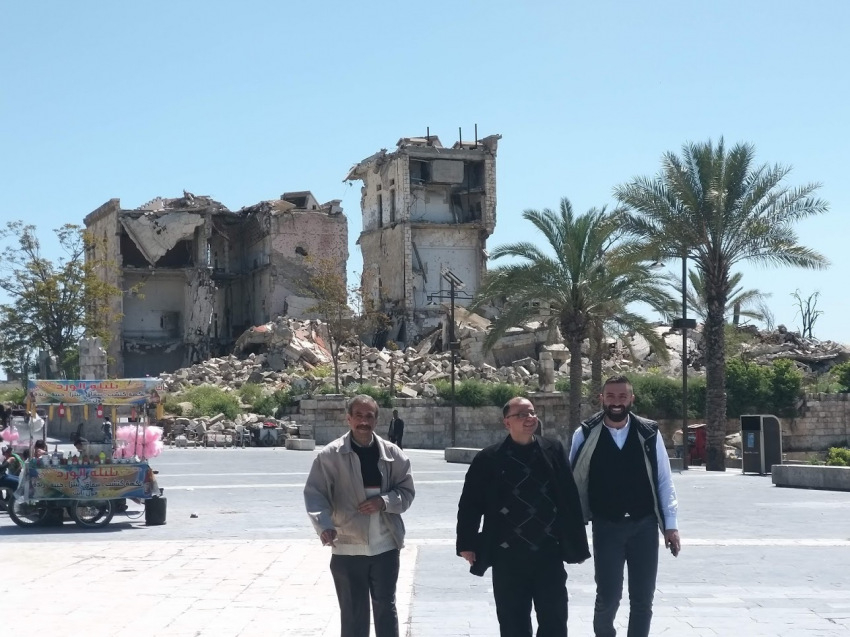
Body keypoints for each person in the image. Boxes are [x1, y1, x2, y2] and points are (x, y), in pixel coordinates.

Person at [456, 396, 590, 637]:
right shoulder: (488, 458)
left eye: (532, 413)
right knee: (513, 624)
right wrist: (467, 543)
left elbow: (569, 498)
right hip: (507, 556)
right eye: (521, 414)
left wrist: (577, 545)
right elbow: (470, 504)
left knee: (555, 621)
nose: (529, 418)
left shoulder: (553, 450)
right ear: (506, 422)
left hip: (548, 553)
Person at [570, 375, 680, 637]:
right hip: (606, 526)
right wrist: (570, 530)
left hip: (644, 526)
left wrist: (671, 525)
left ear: (632, 398)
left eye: (622, 396)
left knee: (643, 599)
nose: (616, 402)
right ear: (601, 399)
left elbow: (664, 480)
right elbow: (572, 481)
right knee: (608, 596)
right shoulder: (585, 433)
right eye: (611, 396)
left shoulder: (649, 433)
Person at [304, 394, 415, 637]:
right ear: (348, 419)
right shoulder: (329, 455)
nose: (364, 421)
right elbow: (315, 493)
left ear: (376, 420)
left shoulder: (394, 454)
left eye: (369, 416)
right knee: (353, 614)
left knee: (386, 608)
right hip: (347, 547)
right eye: (358, 416)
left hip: (386, 546)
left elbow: (406, 492)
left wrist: (383, 502)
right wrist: (324, 525)